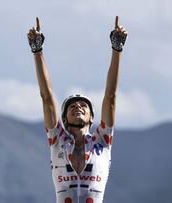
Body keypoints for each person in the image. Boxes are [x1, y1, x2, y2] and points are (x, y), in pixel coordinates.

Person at [27, 16, 127, 203]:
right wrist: (37, 50)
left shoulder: (103, 140)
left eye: (83, 106)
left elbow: (110, 96)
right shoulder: (57, 139)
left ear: (91, 118)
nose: (78, 107)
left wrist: (117, 49)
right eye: (72, 106)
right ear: (64, 118)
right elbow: (46, 97)